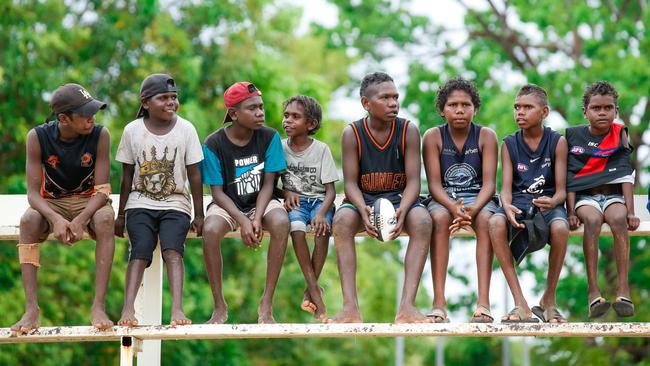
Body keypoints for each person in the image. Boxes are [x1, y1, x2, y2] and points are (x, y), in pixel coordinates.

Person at [328, 72, 432, 324]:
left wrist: (404, 209)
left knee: (422, 221)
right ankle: (350, 308)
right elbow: (350, 183)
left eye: (395, 97)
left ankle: (407, 307)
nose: (393, 103)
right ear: (366, 103)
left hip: (399, 198)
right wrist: (363, 208)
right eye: (385, 98)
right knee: (341, 221)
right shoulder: (352, 133)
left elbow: (414, 182)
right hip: (362, 199)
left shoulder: (408, 130)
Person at [12, 83, 115, 335]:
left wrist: (80, 220)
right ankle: (31, 309)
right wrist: (55, 219)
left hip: (89, 200)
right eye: (85, 113)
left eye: (94, 111)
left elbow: (103, 190)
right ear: (63, 118)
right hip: (52, 201)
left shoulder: (100, 135)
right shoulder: (37, 137)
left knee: (105, 218)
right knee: (28, 222)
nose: (92, 117)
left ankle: (98, 307)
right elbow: (33, 195)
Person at [115, 73, 204, 327]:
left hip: (176, 203)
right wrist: (121, 215)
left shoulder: (186, 129)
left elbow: (195, 175)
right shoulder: (132, 130)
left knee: (173, 251)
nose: (170, 103)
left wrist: (199, 214)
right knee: (140, 250)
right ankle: (127, 310)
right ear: (145, 103)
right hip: (139, 202)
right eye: (163, 98)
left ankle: (177, 310)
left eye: (174, 98)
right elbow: (126, 175)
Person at [201, 82, 289, 324]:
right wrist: (242, 220)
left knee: (281, 222)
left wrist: (257, 218)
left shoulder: (270, 137)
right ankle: (219, 306)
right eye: (252, 108)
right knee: (210, 230)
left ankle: (266, 304)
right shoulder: (213, 144)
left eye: (261, 107)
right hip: (227, 202)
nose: (260, 113)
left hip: (260, 200)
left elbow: (269, 184)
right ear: (234, 114)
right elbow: (217, 192)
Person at [488, 84, 569, 323]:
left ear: (544, 112)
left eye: (527, 107)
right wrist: (507, 206)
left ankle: (548, 300)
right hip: (519, 204)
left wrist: (553, 200)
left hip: (548, 205)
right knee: (494, 223)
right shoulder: (509, 144)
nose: (520, 112)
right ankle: (520, 303)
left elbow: (562, 191)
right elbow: (504, 190)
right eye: (517, 107)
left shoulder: (557, 142)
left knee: (561, 229)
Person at [422, 77, 499, 323]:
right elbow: (434, 184)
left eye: (465, 104)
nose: (459, 110)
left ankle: (483, 303)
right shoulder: (433, 137)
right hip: (444, 199)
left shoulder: (486, 136)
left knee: (488, 219)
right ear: (442, 110)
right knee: (439, 218)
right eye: (452, 105)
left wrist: (474, 208)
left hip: (479, 198)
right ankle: (439, 304)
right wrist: (452, 207)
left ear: (475, 108)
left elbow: (489, 184)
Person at [565, 81, 639, 318]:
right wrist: (571, 212)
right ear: (585, 111)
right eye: (596, 108)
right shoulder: (573, 136)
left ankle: (623, 290)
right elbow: (570, 176)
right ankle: (593, 292)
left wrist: (630, 211)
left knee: (618, 220)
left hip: (614, 196)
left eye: (608, 108)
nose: (603, 112)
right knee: (593, 221)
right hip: (585, 199)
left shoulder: (620, 134)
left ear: (616, 111)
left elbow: (625, 173)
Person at [280, 95, 337, 321]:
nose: (288, 121)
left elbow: (331, 191)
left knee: (323, 231)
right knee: (296, 228)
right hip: (296, 203)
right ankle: (315, 292)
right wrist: (285, 193)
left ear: (311, 124)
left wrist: (322, 213)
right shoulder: (279, 148)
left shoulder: (321, 150)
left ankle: (310, 289)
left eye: (295, 117)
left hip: (319, 201)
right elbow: (270, 184)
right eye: (286, 116)